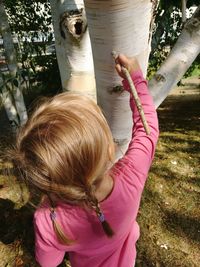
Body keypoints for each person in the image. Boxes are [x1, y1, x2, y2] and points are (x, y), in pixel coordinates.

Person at [13, 54, 159, 267]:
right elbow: (148, 132)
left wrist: (50, 202)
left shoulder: (49, 219)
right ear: (110, 150)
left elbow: (48, 263)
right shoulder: (131, 177)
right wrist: (135, 79)